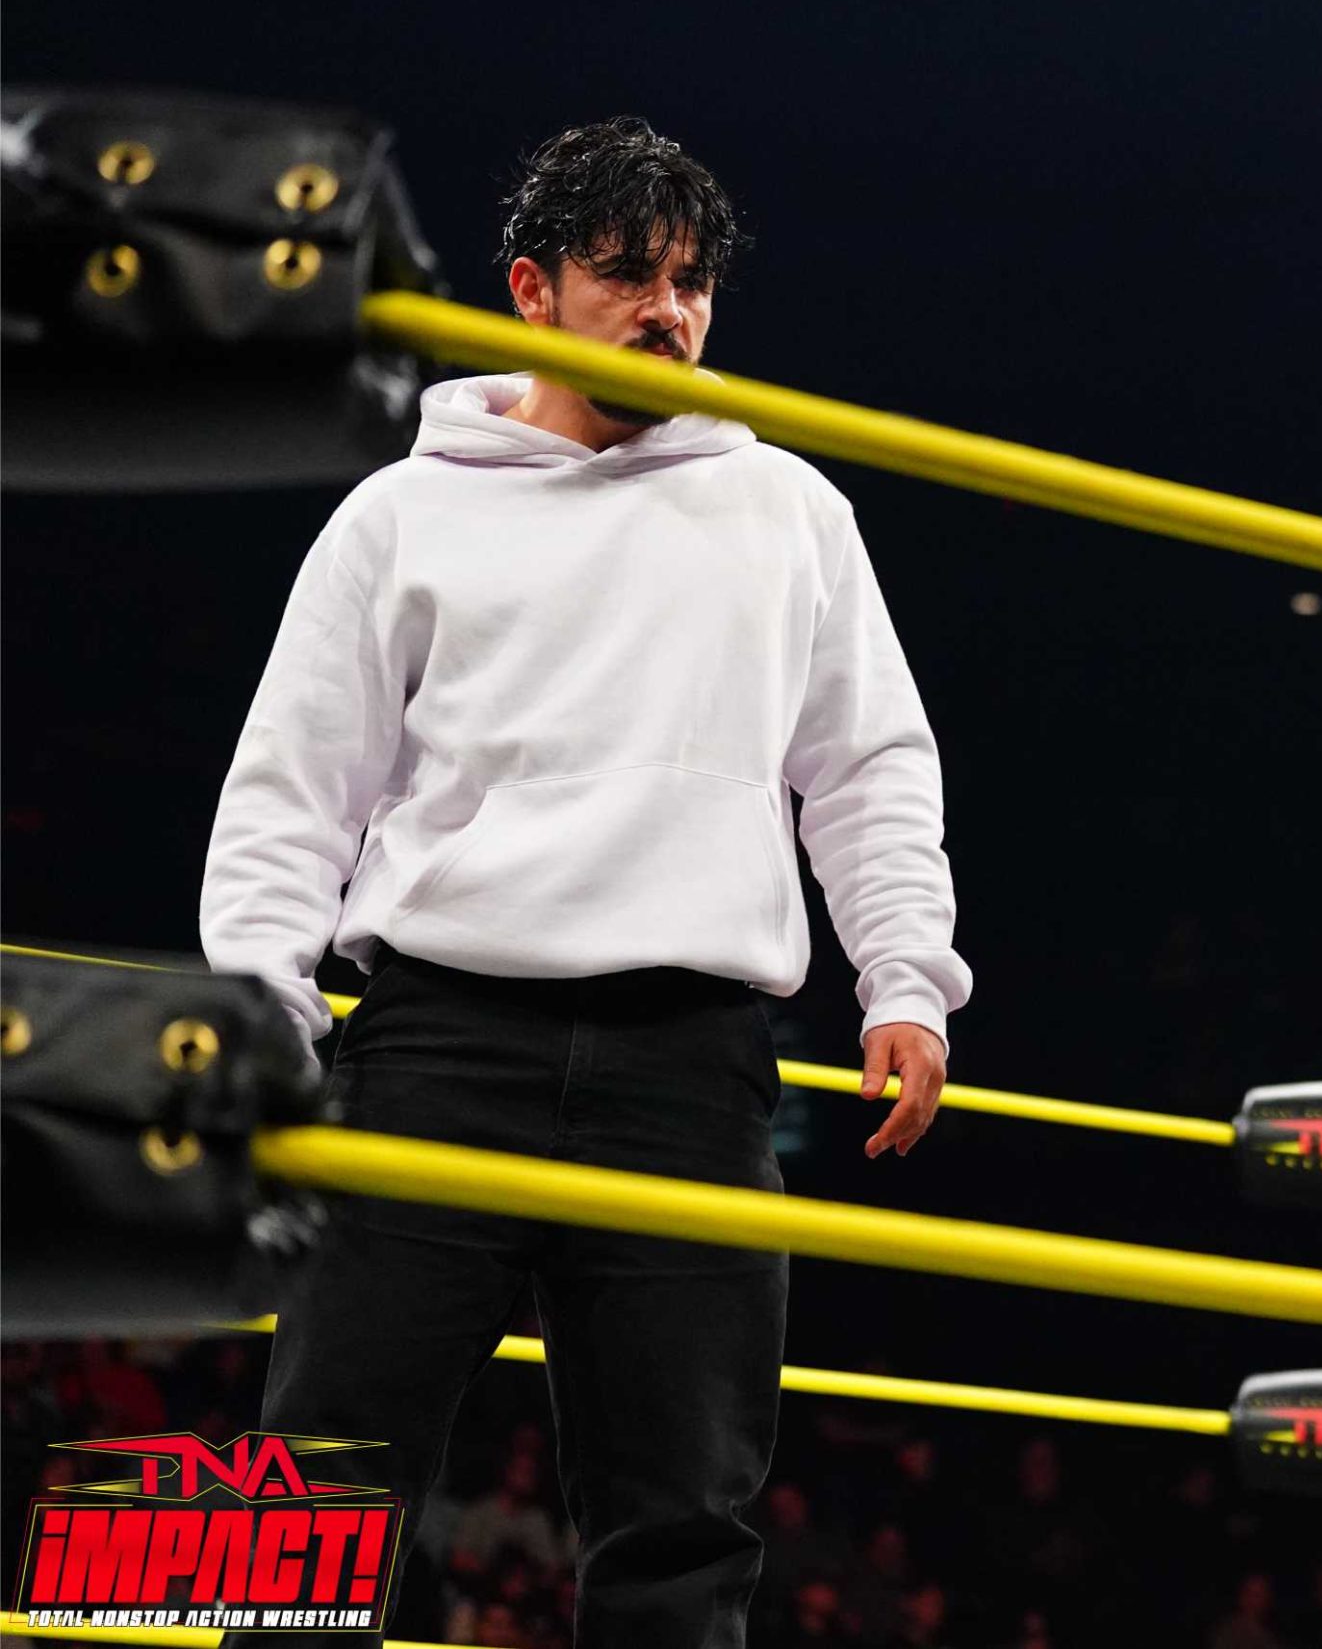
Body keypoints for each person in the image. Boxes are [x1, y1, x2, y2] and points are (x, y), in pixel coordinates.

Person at [201, 117, 970, 1643]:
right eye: (627, 273)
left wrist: (907, 976)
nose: (666, 311)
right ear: (533, 288)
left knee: (686, 1514)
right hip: (434, 1043)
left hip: (690, 1064)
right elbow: (294, 787)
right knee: (310, 1474)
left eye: (691, 282)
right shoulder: (402, 511)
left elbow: (870, 764)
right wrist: (261, 1024)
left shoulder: (790, 510)